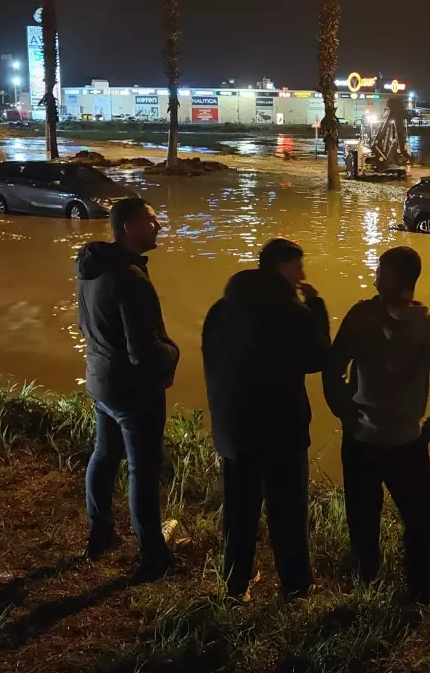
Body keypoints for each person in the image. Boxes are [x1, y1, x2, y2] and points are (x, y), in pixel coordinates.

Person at [324, 246, 430, 605]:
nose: (374, 276)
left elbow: (332, 368)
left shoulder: (361, 316)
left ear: (395, 279)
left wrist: (344, 412)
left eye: (380, 270)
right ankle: (418, 593)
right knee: (418, 523)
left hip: (361, 439)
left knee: (362, 516)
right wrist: (428, 430)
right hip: (407, 444)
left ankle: (366, 578)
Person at [202, 238, 331, 600]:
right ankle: (296, 584)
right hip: (280, 431)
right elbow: (318, 357)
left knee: (239, 510)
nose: (302, 275)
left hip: (234, 429)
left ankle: (235, 583)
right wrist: (317, 306)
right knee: (288, 510)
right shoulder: (291, 312)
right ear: (281, 268)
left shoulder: (221, 308)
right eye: (297, 267)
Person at [76, 197, 180, 581]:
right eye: (151, 221)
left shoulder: (92, 268)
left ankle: (100, 532)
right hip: (133, 391)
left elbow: (87, 325)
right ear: (128, 228)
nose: (159, 227)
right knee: (143, 470)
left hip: (101, 380)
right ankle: (153, 554)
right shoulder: (131, 278)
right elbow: (144, 349)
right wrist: (173, 353)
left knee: (104, 455)